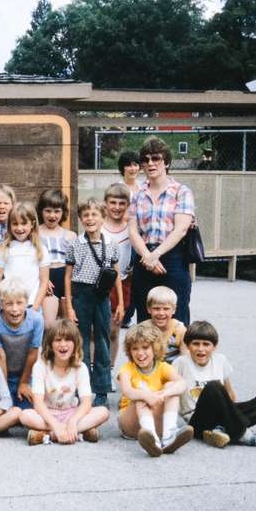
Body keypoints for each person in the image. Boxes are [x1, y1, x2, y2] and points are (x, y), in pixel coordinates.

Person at [174, 321, 256, 447]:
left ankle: (221, 430)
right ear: (188, 345)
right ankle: (246, 436)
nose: (201, 349)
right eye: (195, 344)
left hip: (221, 414)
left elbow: (229, 392)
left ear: (214, 346)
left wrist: (230, 413)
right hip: (196, 419)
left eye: (206, 344)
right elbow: (171, 392)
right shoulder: (181, 363)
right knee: (214, 387)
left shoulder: (220, 360)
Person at [128, 135, 196, 325]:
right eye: (145, 159)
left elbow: (181, 229)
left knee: (177, 315)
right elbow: (133, 230)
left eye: (156, 158)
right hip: (144, 257)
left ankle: (178, 355)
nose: (150, 163)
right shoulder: (138, 194)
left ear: (166, 161)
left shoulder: (181, 192)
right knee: (145, 315)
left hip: (172, 257)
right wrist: (147, 256)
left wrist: (155, 255)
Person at [64, 198, 123, 408]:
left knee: (102, 341)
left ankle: (102, 389)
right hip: (81, 294)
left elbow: (116, 275)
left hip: (102, 296)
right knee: (81, 341)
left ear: (102, 217)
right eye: (86, 215)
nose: (90, 219)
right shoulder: (75, 244)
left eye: (94, 215)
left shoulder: (111, 245)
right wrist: (69, 307)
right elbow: (68, 277)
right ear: (81, 219)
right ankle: (83, 388)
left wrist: (121, 304)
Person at [20, 319, 109, 445]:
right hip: (47, 414)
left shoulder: (80, 367)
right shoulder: (41, 366)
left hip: (70, 412)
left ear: (76, 343)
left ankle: (47, 435)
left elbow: (86, 403)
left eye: (68, 340)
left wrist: (73, 421)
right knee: (25, 416)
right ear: (50, 344)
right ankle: (78, 433)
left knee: (103, 412)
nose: (63, 344)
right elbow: (38, 404)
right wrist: (55, 425)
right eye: (58, 340)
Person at [117, 323, 193, 457]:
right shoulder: (127, 369)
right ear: (130, 351)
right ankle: (151, 437)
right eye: (135, 349)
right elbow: (127, 391)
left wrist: (165, 393)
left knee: (172, 387)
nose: (140, 353)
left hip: (155, 419)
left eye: (145, 347)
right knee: (140, 395)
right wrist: (146, 396)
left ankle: (169, 434)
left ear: (155, 348)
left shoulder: (163, 367)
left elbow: (182, 384)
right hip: (131, 423)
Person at [0, 278, 43, 410]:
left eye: (19, 303)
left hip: (28, 375)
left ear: (27, 303)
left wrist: (23, 383)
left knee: (29, 409)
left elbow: (33, 354)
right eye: (9, 304)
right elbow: (0, 356)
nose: (15, 309)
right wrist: (3, 391)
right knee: (2, 408)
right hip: (2, 375)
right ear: (0, 304)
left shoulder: (36, 320)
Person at [0, 201, 50, 310]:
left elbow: (44, 281)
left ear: (32, 224)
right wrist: (5, 301)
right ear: (9, 225)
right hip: (11, 306)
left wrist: (36, 306)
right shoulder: (4, 248)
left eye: (23, 223)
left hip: (33, 304)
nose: (19, 228)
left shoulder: (41, 249)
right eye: (15, 224)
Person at [37, 189, 77, 325]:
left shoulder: (70, 235)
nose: (52, 215)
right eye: (48, 211)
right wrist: (43, 279)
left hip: (66, 278)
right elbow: (32, 261)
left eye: (57, 211)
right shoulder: (35, 233)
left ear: (63, 212)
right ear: (41, 211)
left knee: (67, 323)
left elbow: (74, 265)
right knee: (49, 323)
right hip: (47, 280)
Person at [103, 183, 133, 359]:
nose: (116, 207)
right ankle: (94, 369)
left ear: (127, 205)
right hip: (99, 282)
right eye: (112, 202)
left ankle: (110, 368)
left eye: (122, 203)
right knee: (95, 331)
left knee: (113, 330)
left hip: (121, 282)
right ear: (105, 203)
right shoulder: (98, 226)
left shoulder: (131, 228)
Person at [139, 286, 187, 363]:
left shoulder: (180, 330)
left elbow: (185, 359)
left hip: (174, 371)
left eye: (166, 309)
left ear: (174, 309)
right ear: (148, 308)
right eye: (156, 308)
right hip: (149, 370)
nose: (161, 313)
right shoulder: (143, 329)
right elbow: (136, 356)